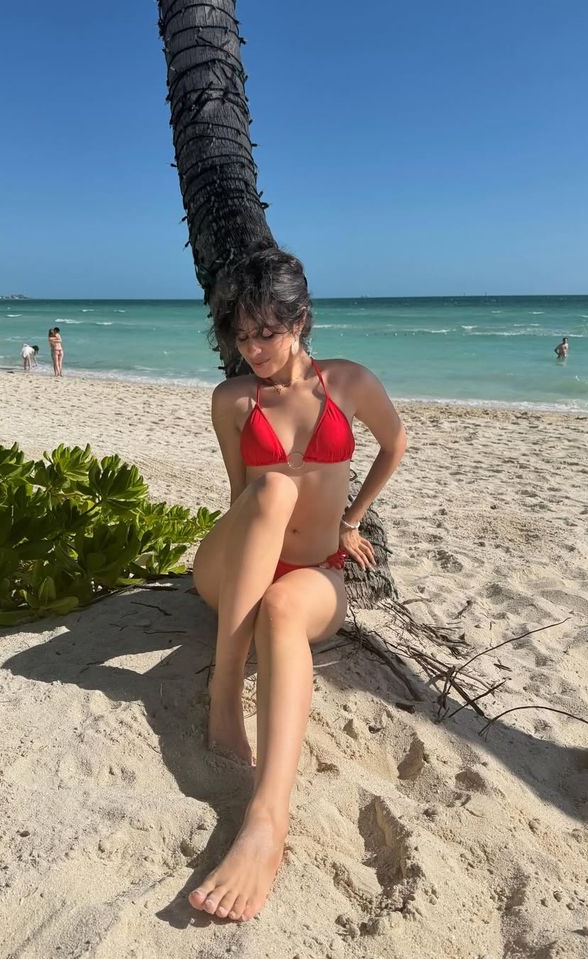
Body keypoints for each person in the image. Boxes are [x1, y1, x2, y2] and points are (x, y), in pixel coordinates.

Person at [188, 248, 407, 922]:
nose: (252, 348)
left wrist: (351, 520)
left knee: (285, 607)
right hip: (230, 569)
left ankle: (266, 821)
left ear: (301, 321)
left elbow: (395, 442)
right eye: (241, 333)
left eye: (268, 331)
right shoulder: (233, 400)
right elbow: (239, 497)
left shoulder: (349, 383)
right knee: (271, 490)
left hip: (314, 575)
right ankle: (226, 688)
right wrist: (265, 516)